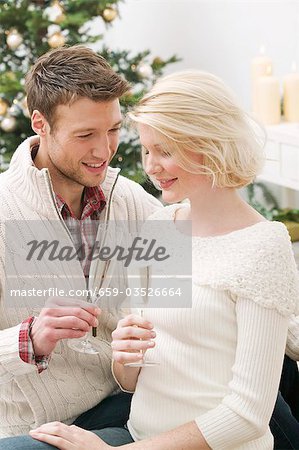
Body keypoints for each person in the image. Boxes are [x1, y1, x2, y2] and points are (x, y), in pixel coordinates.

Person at [29, 70, 299, 449]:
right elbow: (131, 381)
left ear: (210, 144)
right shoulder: (161, 224)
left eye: (165, 152)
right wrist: (125, 357)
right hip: (139, 435)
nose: (150, 167)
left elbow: (247, 415)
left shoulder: (263, 246)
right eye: (146, 150)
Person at [0, 45, 161, 448]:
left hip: (125, 401)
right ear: (41, 123)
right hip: (36, 427)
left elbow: (204, 279)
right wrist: (29, 338)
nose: (104, 151)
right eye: (85, 135)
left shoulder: (130, 200)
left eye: (113, 130)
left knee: (273, 370)